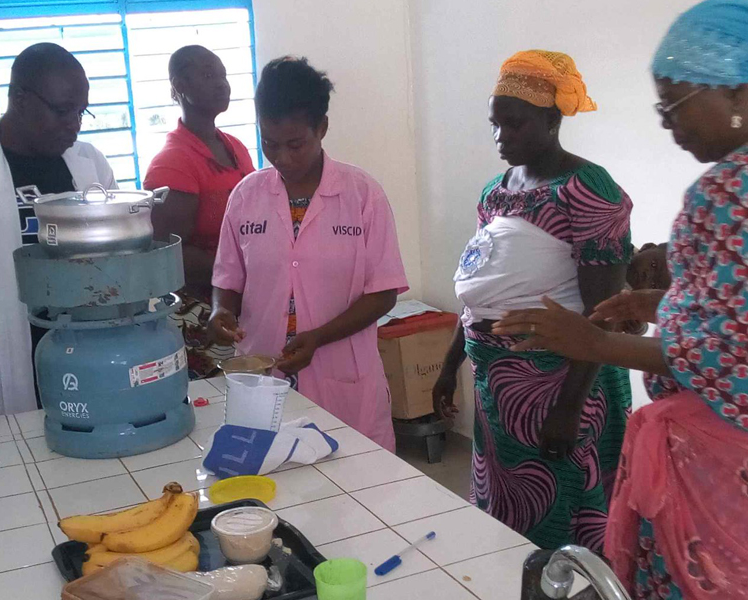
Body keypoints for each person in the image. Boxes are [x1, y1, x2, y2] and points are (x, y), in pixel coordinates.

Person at [493, 2, 748, 597]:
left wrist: (599, 343)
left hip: (720, 466)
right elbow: (726, 308)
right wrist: (660, 304)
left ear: (737, 94)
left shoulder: (726, 194)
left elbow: (733, 356)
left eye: (675, 104)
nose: (665, 123)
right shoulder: (501, 187)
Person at [432, 50, 633, 552]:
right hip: (497, 387)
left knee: (562, 520)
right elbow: (483, 284)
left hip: (560, 386)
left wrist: (568, 408)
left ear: (550, 119)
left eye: (515, 125)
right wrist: (449, 363)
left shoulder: (586, 190)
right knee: (505, 515)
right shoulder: (496, 191)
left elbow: (601, 318)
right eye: (495, 125)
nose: (501, 138)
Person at [208, 57, 408, 451]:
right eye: (269, 143)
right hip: (264, 379)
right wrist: (220, 311)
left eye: (295, 144)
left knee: (358, 493)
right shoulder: (246, 196)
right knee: (271, 492)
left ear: (322, 128)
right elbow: (227, 280)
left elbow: (384, 292)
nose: (281, 157)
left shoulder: (363, 195)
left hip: (344, 381)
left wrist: (319, 337)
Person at [0, 43, 115, 436]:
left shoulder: (89, 162)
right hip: (7, 358)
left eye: (81, 111)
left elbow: (116, 258)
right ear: (20, 100)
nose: (75, 124)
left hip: (87, 347)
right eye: (62, 111)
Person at [143, 45, 254, 380]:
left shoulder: (235, 147)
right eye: (208, 75)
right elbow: (168, 252)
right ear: (179, 87)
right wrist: (242, 274)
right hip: (199, 311)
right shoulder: (173, 161)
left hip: (239, 296)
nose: (222, 84)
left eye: (222, 75)